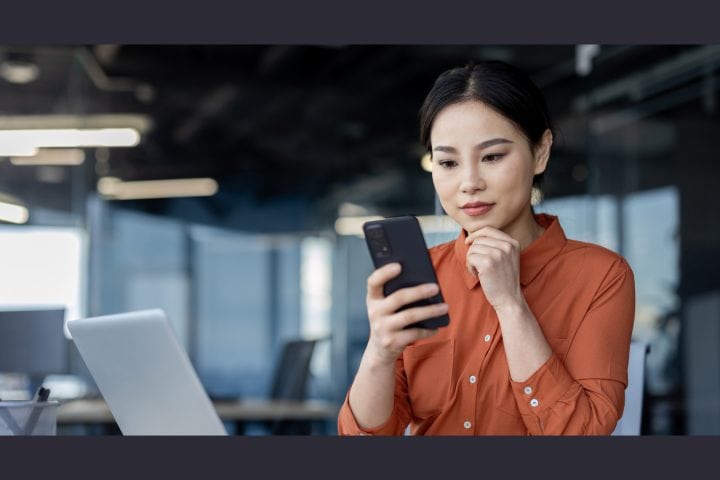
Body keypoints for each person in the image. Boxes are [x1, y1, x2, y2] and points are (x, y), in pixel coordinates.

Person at [337, 60, 635, 435]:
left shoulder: (601, 276)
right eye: (447, 162)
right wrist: (380, 353)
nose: (469, 182)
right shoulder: (423, 276)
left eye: (492, 156)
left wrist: (511, 305)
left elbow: (582, 433)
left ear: (540, 152)